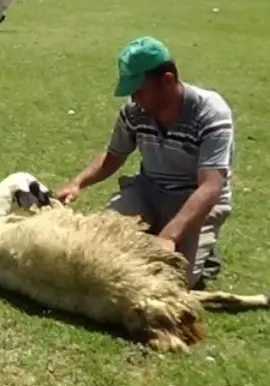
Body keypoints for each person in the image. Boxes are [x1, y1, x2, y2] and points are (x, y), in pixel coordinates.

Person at [55, 36, 234, 290]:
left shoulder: (211, 113)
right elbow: (113, 156)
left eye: (140, 91)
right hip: (148, 191)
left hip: (193, 198)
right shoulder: (134, 111)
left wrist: (170, 236)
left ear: (168, 81)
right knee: (99, 244)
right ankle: (160, 231)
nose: (135, 99)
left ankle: (196, 246)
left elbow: (210, 186)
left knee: (172, 281)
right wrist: (77, 183)